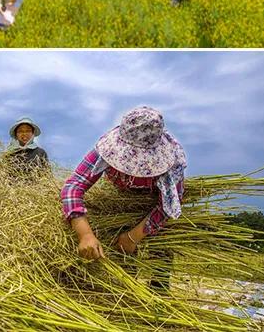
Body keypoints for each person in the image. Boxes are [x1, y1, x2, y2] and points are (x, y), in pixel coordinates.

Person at [60, 106, 186, 290]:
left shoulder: (171, 166)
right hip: (122, 203)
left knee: (162, 248)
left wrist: (134, 236)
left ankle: (158, 294)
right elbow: (73, 186)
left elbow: (168, 206)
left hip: (153, 207)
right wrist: (85, 234)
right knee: (122, 261)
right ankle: (125, 288)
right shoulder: (106, 151)